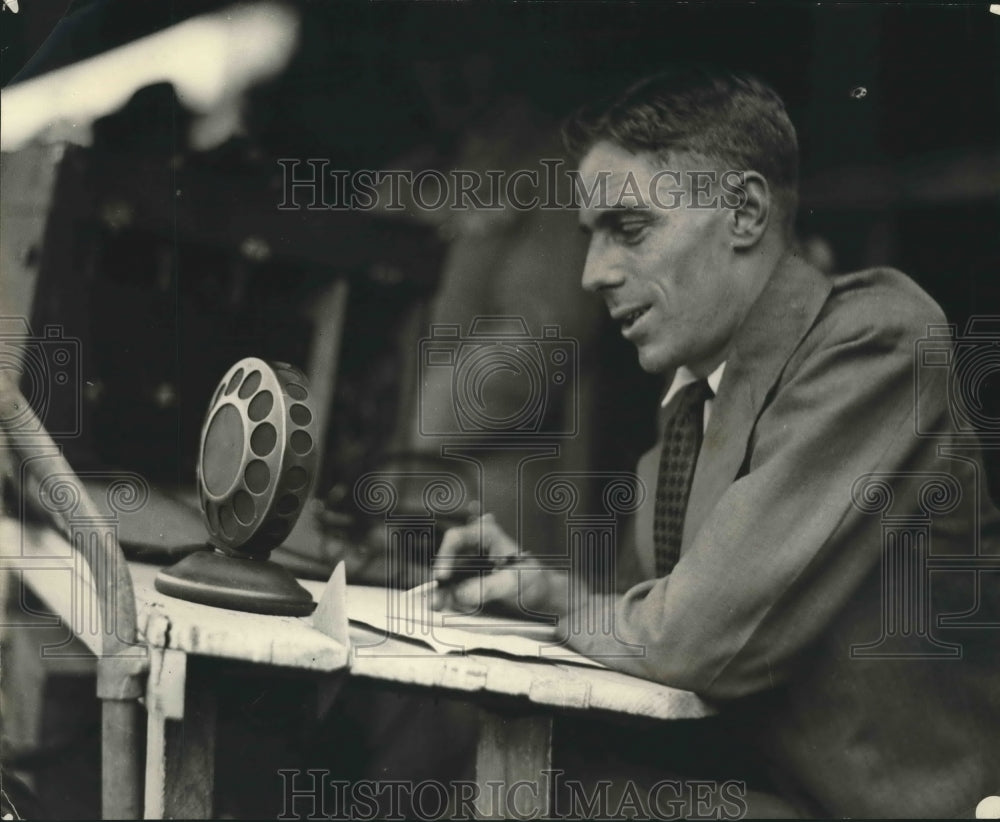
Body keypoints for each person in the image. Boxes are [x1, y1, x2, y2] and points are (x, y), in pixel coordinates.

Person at [432, 66, 1000, 818]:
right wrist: (548, 591)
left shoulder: (878, 343)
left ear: (744, 213)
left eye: (628, 229)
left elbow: (693, 639)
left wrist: (585, 612)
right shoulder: (696, 400)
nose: (594, 273)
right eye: (589, 236)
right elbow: (663, 618)